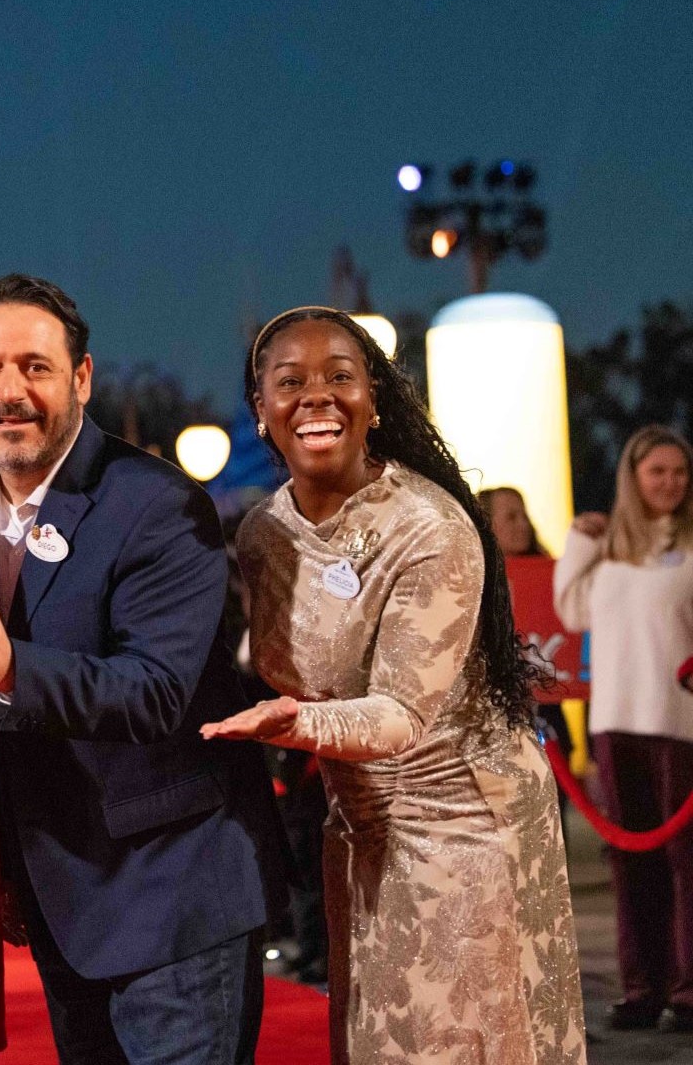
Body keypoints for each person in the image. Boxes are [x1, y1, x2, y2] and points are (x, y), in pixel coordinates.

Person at [206, 305, 586, 1062]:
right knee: (377, 1040)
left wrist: (291, 724)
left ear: (374, 402)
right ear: (261, 412)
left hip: (465, 828)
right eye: (292, 382)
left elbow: (400, 715)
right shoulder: (260, 535)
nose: (317, 396)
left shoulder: (430, 525)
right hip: (359, 832)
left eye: (340, 378)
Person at [0, 274, 278, 1064]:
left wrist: (13, 664)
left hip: (175, 899)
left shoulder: (158, 502)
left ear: (81, 378)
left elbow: (155, 693)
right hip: (61, 897)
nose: (10, 392)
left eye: (35, 367)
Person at [554, 424, 693, 1032]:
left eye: (680, 473)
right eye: (658, 471)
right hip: (616, 722)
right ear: (633, 477)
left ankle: (689, 991)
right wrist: (578, 542)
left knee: (686, 863)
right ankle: (642, 987)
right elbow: (571, 609)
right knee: (628, 863)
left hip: (681, 722)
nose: (670, 483)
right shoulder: (606, 545)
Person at [481, 485, 576, 799]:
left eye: (523, 514)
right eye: (510, 516)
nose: (522, 523)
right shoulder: (467, 581)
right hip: (491, 724)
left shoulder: (551, 578)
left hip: (546, 720)